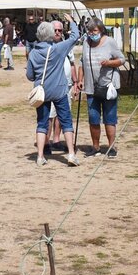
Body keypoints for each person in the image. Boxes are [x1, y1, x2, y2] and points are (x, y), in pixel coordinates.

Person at [27, 14, 82, 167]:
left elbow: (30, 76)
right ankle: (71, 153)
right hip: (59, 90)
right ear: (52, 34)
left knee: (42, 123)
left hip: (42, 93)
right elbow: (75, 37)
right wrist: (71, 22)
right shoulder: (57, 49)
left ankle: (40, 156)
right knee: (66, 121)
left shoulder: (33, 53)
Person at [77, 20, 125, 157]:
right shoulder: (86, 42)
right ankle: (95, 147)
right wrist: (80, 80)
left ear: (101, 30)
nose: (92, 34)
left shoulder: (110, 42)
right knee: (93, 118)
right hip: (91, 87)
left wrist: (109, 63)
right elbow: (82, 62)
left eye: (95, 31)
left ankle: (111, 147)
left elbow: (122, 60)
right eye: (90, 31)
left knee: (109, 118)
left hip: (108, 87)